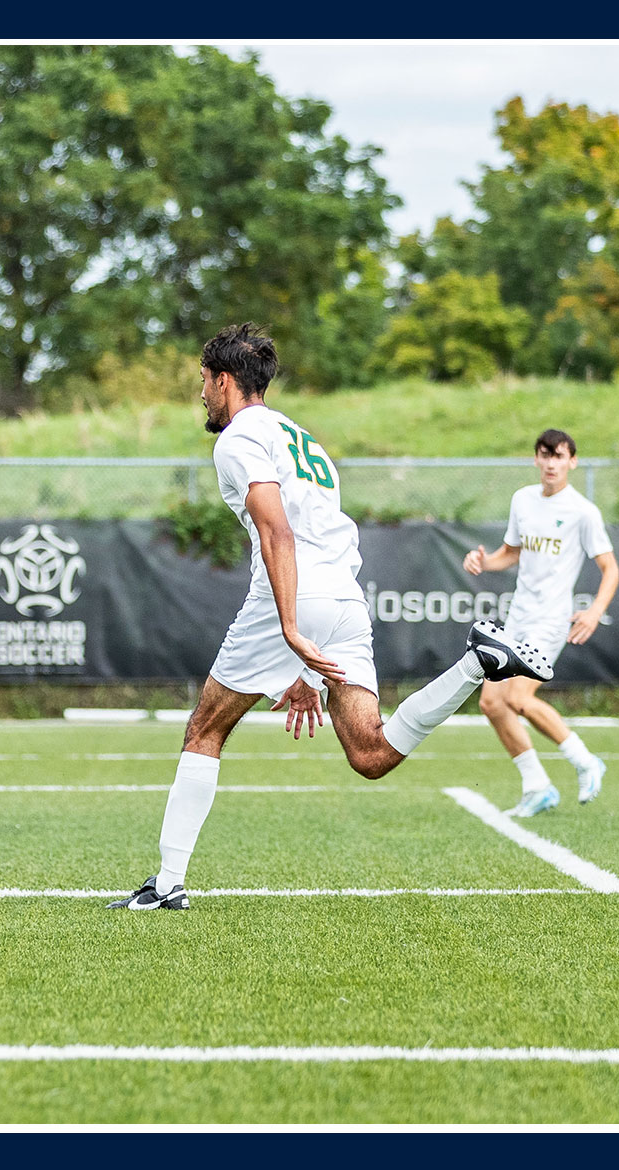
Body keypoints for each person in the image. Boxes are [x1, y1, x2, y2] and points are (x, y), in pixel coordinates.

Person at [110, 324, 554, 911]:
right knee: (371, 753)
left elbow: (278, 530)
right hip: (345, 596)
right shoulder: (303, 438)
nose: (200, 396)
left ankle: (165, 886)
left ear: (224, 380)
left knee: (205, 730)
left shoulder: (238, 438)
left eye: (202, 382)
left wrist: (292, 631)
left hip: (290, 596)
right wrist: (312, 669)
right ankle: (476, 665)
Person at [462, 429, 619, 817]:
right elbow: (510, 554)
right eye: (545, 455)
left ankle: (586, 762)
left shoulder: (583, 512)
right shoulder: (523, 500)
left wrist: (595, 611)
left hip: (550, 621)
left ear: (572, 462)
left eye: (560, 456)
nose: (551, 463)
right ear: (535, 459)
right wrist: (483, 562)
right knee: (492, 703)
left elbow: (610, 568)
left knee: (517, 698)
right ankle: (537, 786)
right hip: (518, 617)